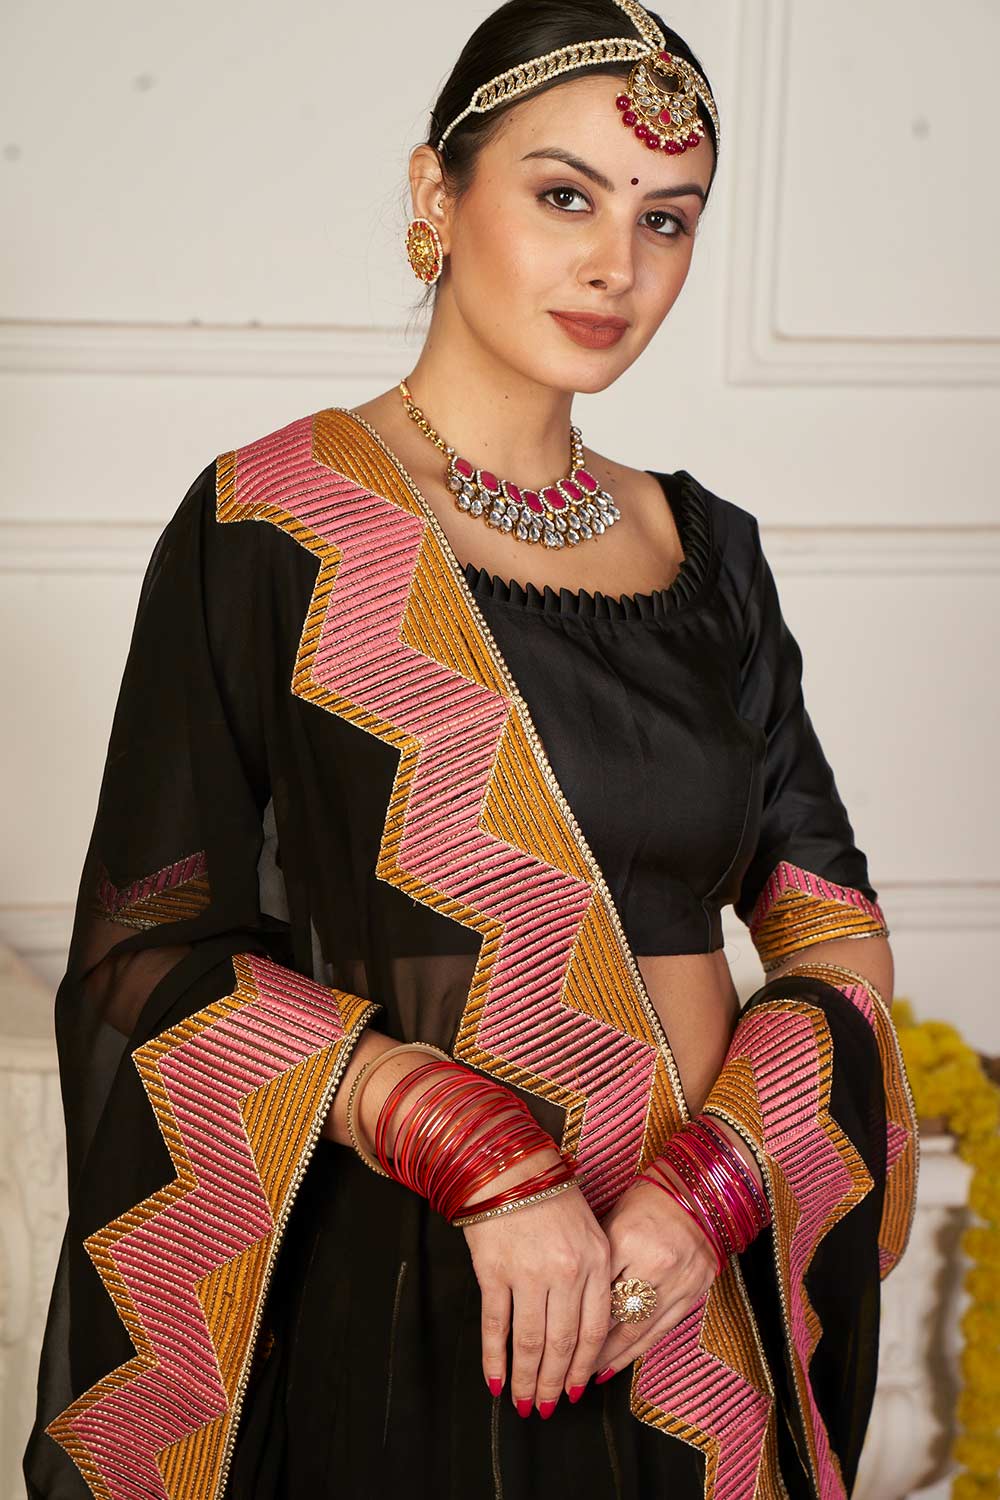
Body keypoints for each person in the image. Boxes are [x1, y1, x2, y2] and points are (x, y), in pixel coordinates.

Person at [24, 2, 919, 1497]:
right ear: (435, 195)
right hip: (423, 1291)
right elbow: (146, 951)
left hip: (691, 1289)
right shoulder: (271, 531)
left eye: (667, 219)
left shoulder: (711, 555)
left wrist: (704, 1194)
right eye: (565, 195)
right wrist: (467, 1145)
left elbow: (831, 933)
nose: (617, 265)